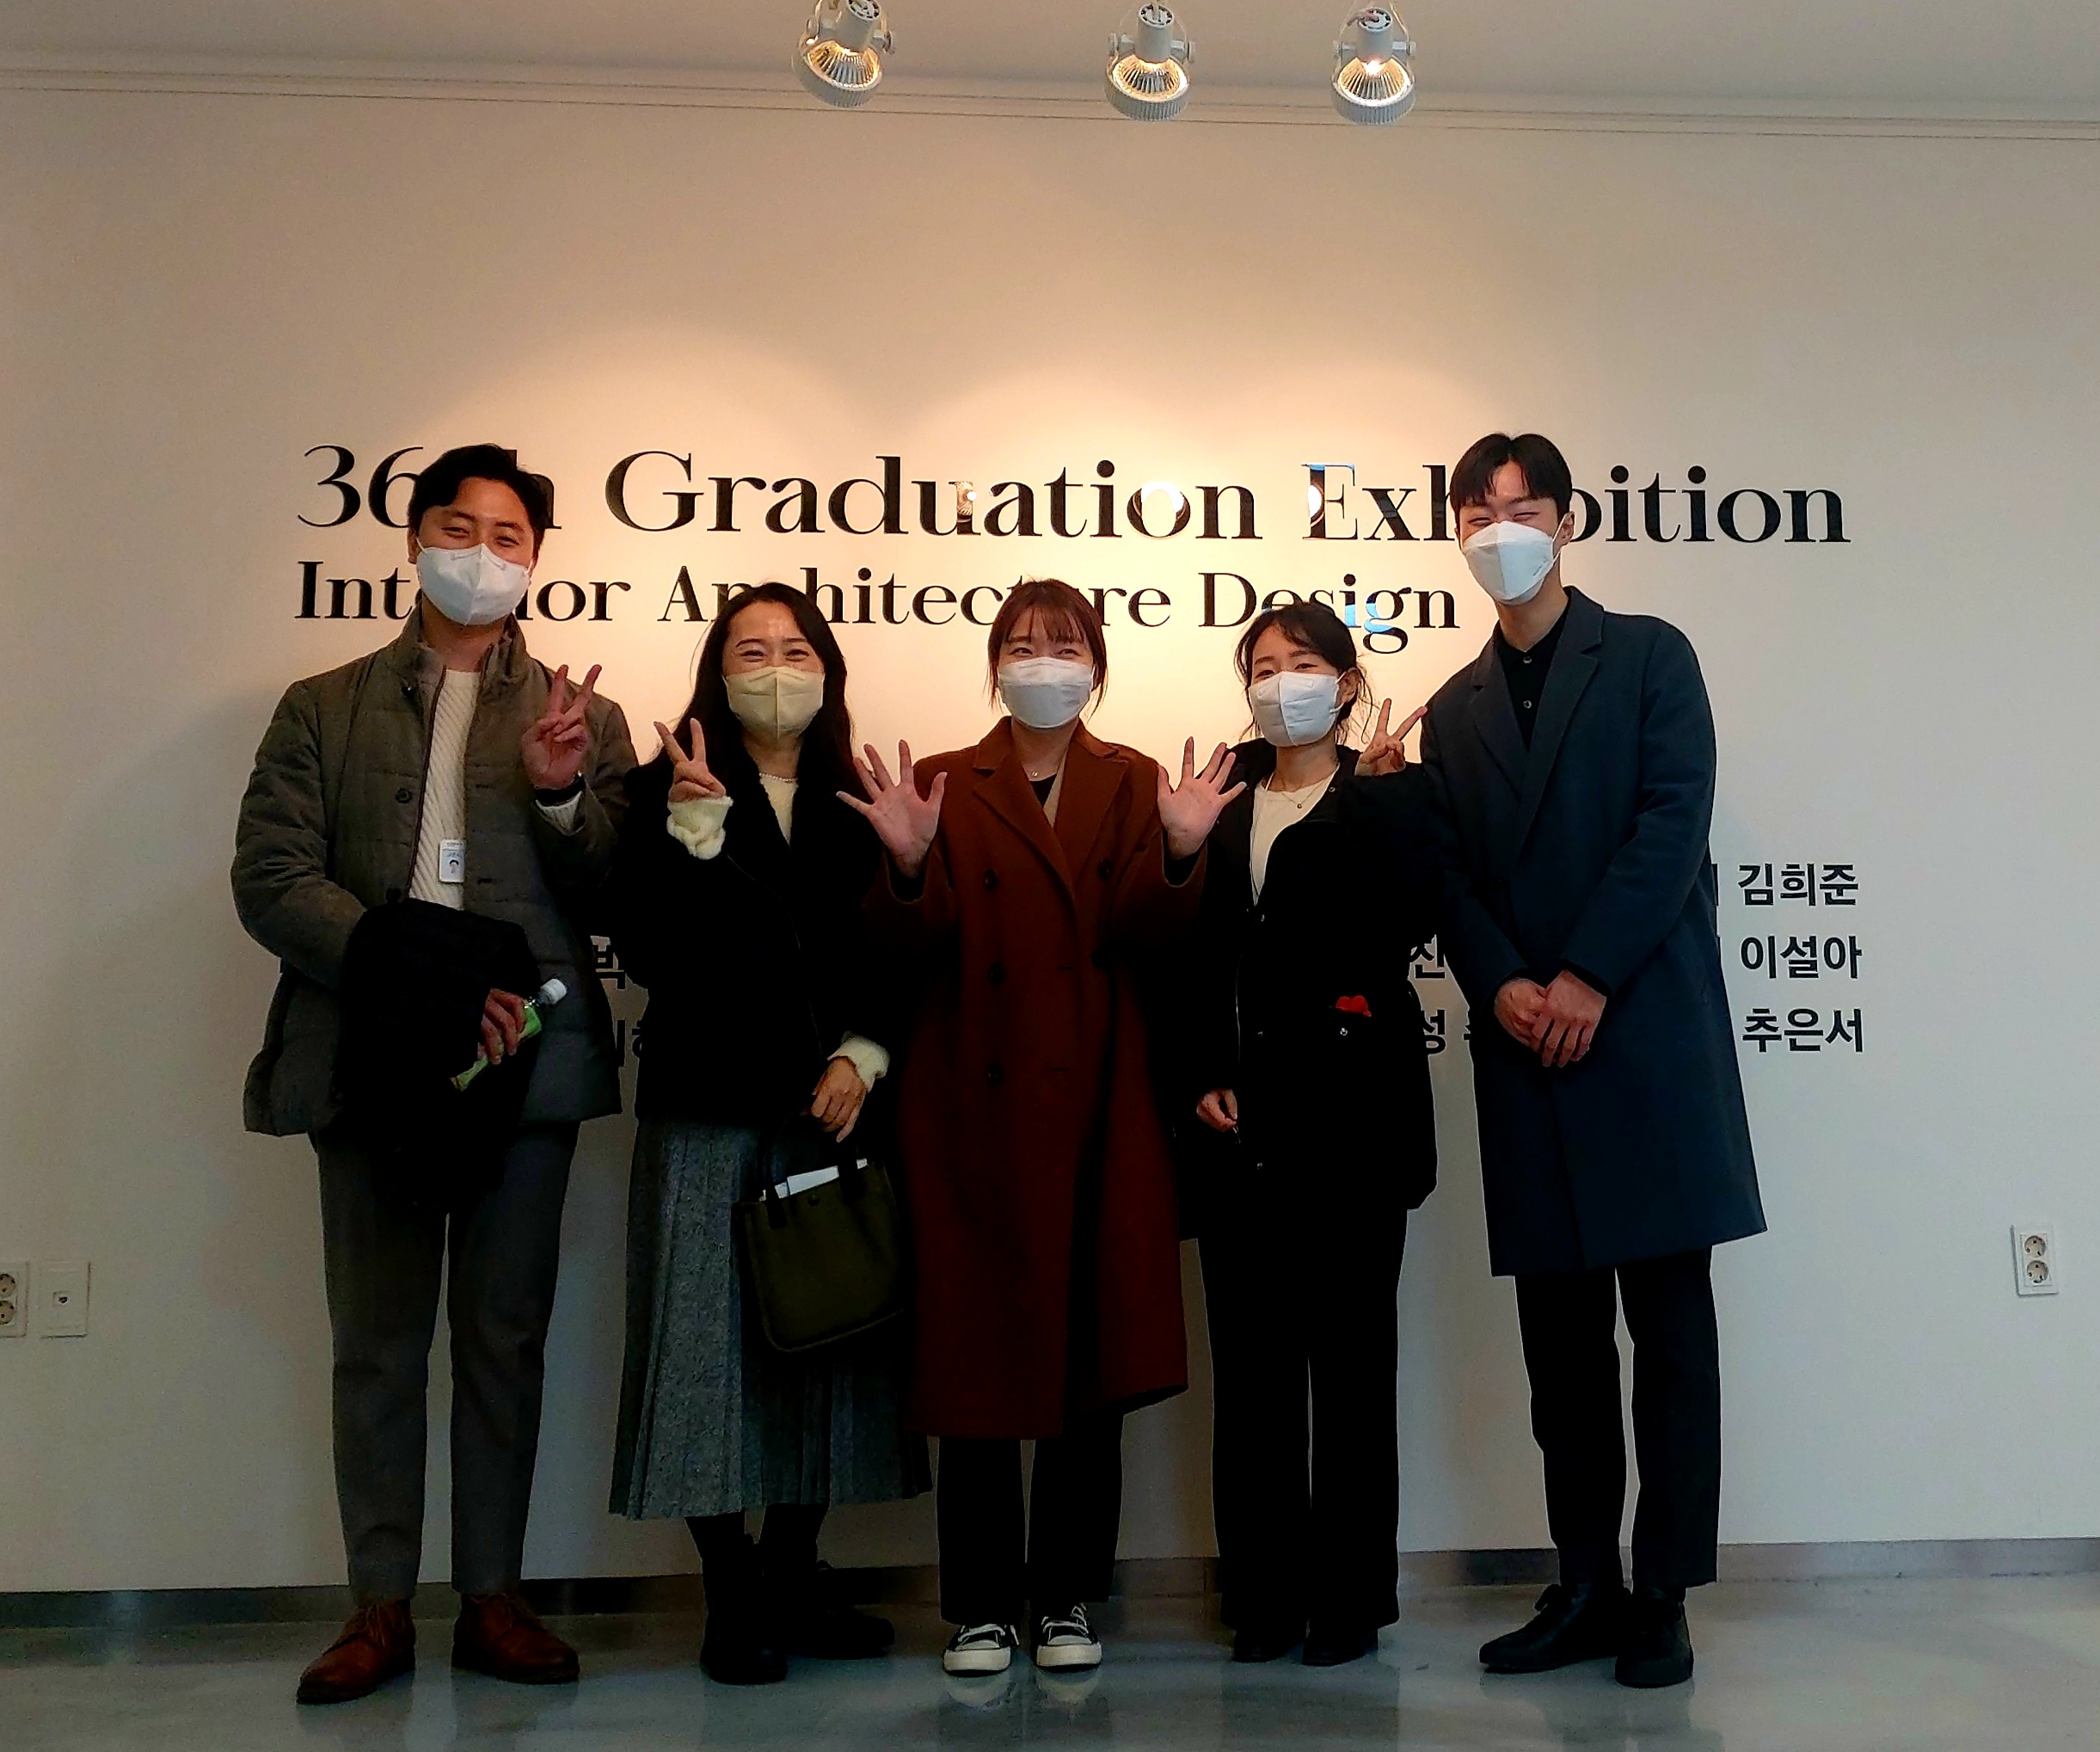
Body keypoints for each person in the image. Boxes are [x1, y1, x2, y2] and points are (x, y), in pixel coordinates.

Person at [232, 444, 636, 1704]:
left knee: (505, 1338)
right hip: (370, 1059)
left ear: (536, 561)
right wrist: (418, 976)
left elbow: (618, 893)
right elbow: (270, 876)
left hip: (529, 1067)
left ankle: (495, 1601)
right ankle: (377, 1607)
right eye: (458, 527)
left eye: (508, 535)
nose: (481, 552)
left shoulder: (583, 717)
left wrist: (563, 798)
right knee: (377, 1342)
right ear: (412, 541)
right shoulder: (320, 704)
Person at [1416, 433, 1765, 1690]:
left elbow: (1672, 823)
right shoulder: (1449, 709)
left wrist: (1586, 975)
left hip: (1643, 1035)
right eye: (1476, 513)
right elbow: (1448, 873)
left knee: (1670, 1340)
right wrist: (1505, 982)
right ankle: (1584, 1584)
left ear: (1566, 521)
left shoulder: (1652, 656)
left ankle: (1662, 1593)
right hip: (1527, 1051)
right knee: (1559, 1353)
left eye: (1521, 509)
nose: (1499, 532)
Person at [846, 578, 1240, 1679]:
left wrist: (1180, 854)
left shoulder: (1138, 780)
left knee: (1089, 1365)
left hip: (1101, 1101)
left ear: (1097, 666)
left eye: (1064, 646)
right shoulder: (941, 779)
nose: (1042, 663)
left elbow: (1152, 940)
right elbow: (904, 949)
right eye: (1022, 645)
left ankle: (1065, 1597)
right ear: (993, 664)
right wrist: (909, 865)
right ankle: (979, 1606)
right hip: (967, 1104)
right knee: (972, 1362)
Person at [605, 582, 927, 1686]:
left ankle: (795, 1568)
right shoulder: (660, 789)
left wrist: (864, 1052)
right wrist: (693, 834)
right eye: (750, 651)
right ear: (716, 671)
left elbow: (899, 948)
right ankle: (729, 1587)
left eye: (794, 649)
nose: (775, 669)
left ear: (827, 668)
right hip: (706, 1105)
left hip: (832, 1112)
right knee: (704, 1351)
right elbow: (648, 951)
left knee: (826, 1347)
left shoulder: (863, 797)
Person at [1184, 600, 1440, 1669]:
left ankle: (1350, 1598)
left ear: (1345, 684)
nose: (1279, 681)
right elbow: (1190, 955)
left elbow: (1405, 924)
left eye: (1301, 663)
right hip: (1240, 1123)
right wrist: (1203, 1068)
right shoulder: (1216, 798)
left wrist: (1390, 803)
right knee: (1251, 1374)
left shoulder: (1380, 796)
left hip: (1353, 1123)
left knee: (1351, 1368)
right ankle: (1262, 1595)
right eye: (1262, 665)